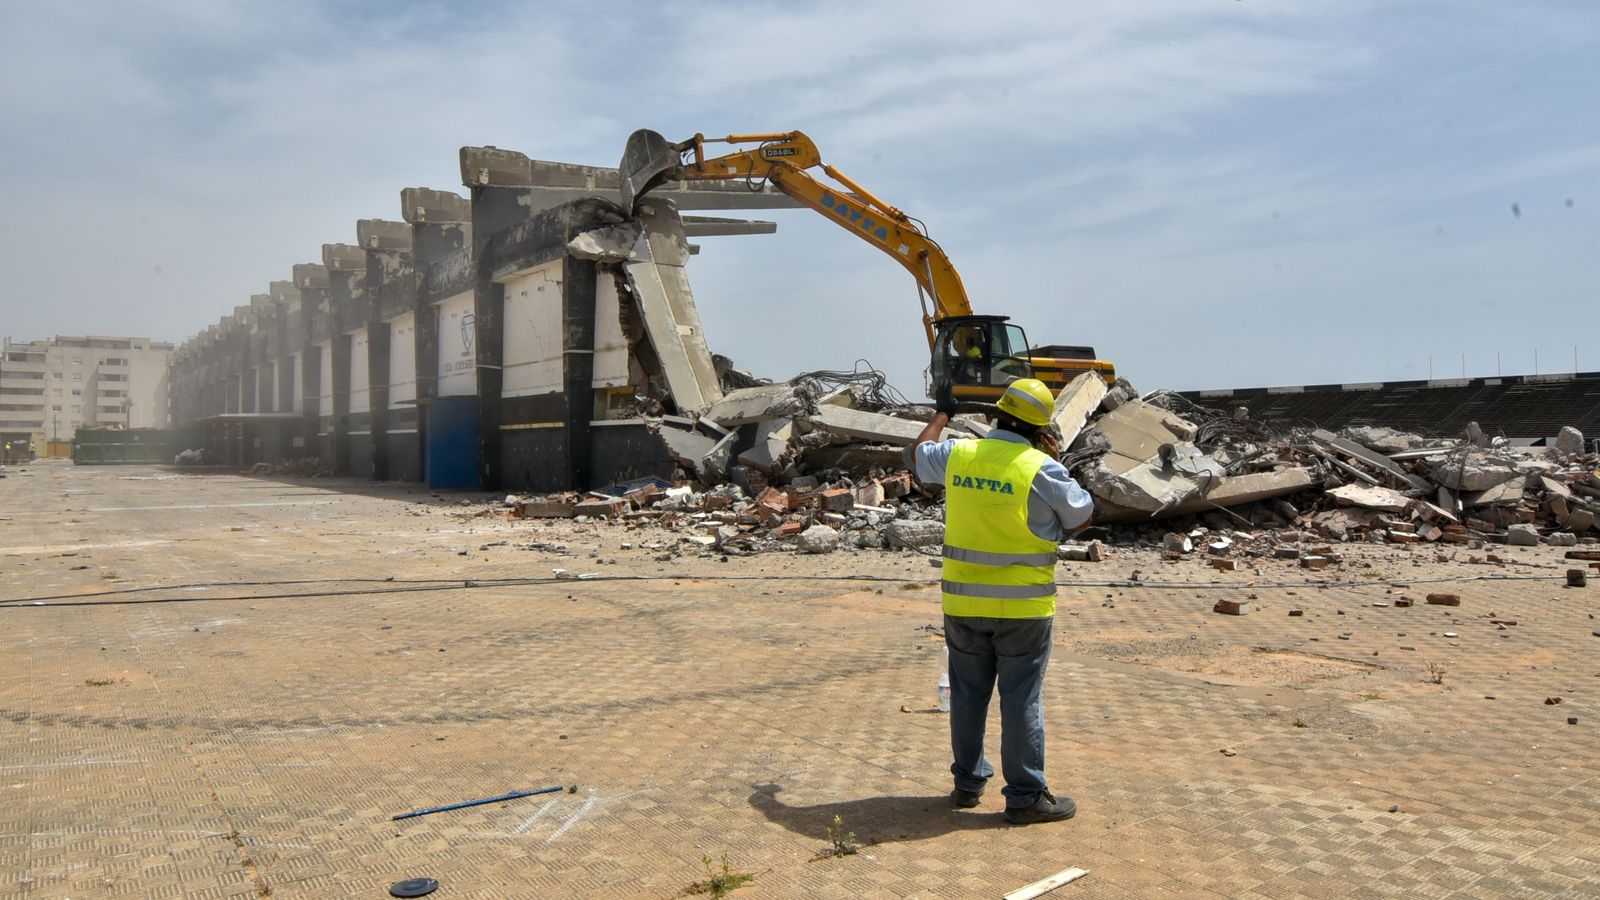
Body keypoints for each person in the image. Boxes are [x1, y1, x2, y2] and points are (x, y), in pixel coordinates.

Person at [906, 378, 1093, 824]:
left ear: (999, 417)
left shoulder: (960, 455)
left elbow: (915, 455)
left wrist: (943, 413)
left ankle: (968, 783)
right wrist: (1054, 463)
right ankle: (1025, 796)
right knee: (1021, 699)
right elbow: (1082, 515)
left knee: (968, 696)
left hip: (963, 605)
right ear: (1040, 429)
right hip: (1024, 611)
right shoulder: (1041, 468)